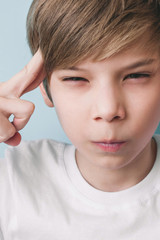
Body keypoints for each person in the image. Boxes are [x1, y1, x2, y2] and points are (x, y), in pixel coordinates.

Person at [0, 0, 160, 239]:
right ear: (45, 87)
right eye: (76, 79)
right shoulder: (12, 183)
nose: (108, 111)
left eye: (136, 75)